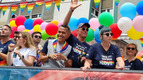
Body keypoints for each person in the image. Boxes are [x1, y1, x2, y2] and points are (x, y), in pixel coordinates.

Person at [62, 0, 90, 68]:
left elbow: (89, 62)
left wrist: (85, 61)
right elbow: (65, 25)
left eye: (87, 29)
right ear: (77, 30)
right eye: (83, 28)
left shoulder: (89, 47)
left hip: (79, 72)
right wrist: (71, 10)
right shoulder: (72, 39)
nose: (85, 30)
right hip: (67, 69)